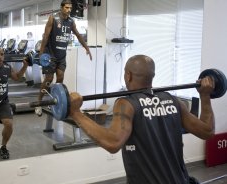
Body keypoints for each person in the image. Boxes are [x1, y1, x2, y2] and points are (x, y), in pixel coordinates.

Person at [69, 55, 215, 184]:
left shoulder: (126, 104)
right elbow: (207, 131)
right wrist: (205, 96)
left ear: (128, 75)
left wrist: (76, 113)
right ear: (153, 76)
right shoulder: (174, 101)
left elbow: (113, 142)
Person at [35, 0, 92, 116]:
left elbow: (78, 35)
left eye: (70, 8)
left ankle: (53, 101)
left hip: (61, 56)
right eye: (66, 7)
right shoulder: (53, 18)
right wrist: (41, 53)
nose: (69, 10)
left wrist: (87, 48)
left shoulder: (71, 21)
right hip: (50, 55)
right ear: (61, 8)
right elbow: (45, 36)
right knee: (49, 79)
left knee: (60, 78)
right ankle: (39, 103)